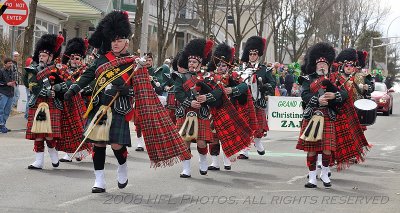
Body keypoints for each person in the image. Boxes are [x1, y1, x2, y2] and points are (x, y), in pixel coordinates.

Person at [64, 10, 190, 193]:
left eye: (119, 40)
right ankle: (99, 180)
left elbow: (142, 90)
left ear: (127, 42)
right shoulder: (101, 60)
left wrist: (126, 90)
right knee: (98, 144)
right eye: (113, 40)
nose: (115, 44)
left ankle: (122, 165)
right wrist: (73, 89)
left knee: (116, 144)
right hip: (100, 105)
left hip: (119, 108)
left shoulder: (134, 63)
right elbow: (87, 76)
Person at [297, 42, 348, 188]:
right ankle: (312, 178)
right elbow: (304, 95)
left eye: (324, 64)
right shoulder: (308, 79)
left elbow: (344, 94)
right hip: (312, 116)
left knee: (327, 149)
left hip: (328, 116)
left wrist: (334, 96)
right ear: (315, 65)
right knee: (311, 149)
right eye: (319, 64)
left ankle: (325, 173)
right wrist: (317, 100)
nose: (321, 66)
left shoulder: (335, 80)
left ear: (328, 65)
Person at [25, 34, 64, 170]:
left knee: (49, 134)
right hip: (37, 102)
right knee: (38, 134)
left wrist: (58, 88)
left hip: (53, 104)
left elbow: (65, 85)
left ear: (51, 57)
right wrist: (45, 92)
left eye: (44, 56)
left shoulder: (58, 70)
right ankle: (39, 161)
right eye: (40, 55)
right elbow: (31, 85)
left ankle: (53, 155)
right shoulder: (32, 69)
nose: (41, 58)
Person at [237, 36, 276, 159]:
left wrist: (265, 87)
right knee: (244, 126)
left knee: (258, 127)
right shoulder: (242, 69)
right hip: (244, 100)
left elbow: (273, 84)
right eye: (250, 54)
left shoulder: (264, 70)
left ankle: (258, 142)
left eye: (255, 54)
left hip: (258, 101)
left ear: (258, 55)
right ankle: (244, 150)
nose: (252, 56)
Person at [57, 37, 92, 163]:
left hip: (82, 103)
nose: (74, 61)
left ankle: (80, 151)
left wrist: (82, 89)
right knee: (67, 129)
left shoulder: (85, 71)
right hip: (67, 102)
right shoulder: (63, 70)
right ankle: (69, 152)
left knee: (79, 129)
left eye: (77, 58)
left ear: (81, 59)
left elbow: (91, 85)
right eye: (72, 58)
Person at [0, 58, 15, 133]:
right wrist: (6, 84)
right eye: (9, 63)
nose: (10, 65)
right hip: (3, 93)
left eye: (11, 63)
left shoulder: (12, 71)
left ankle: (3, 125)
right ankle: (1, 125)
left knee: (7, 111)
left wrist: (14, 83)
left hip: (11, 93)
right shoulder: (1, 71)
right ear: (5, 64)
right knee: (1, 110)